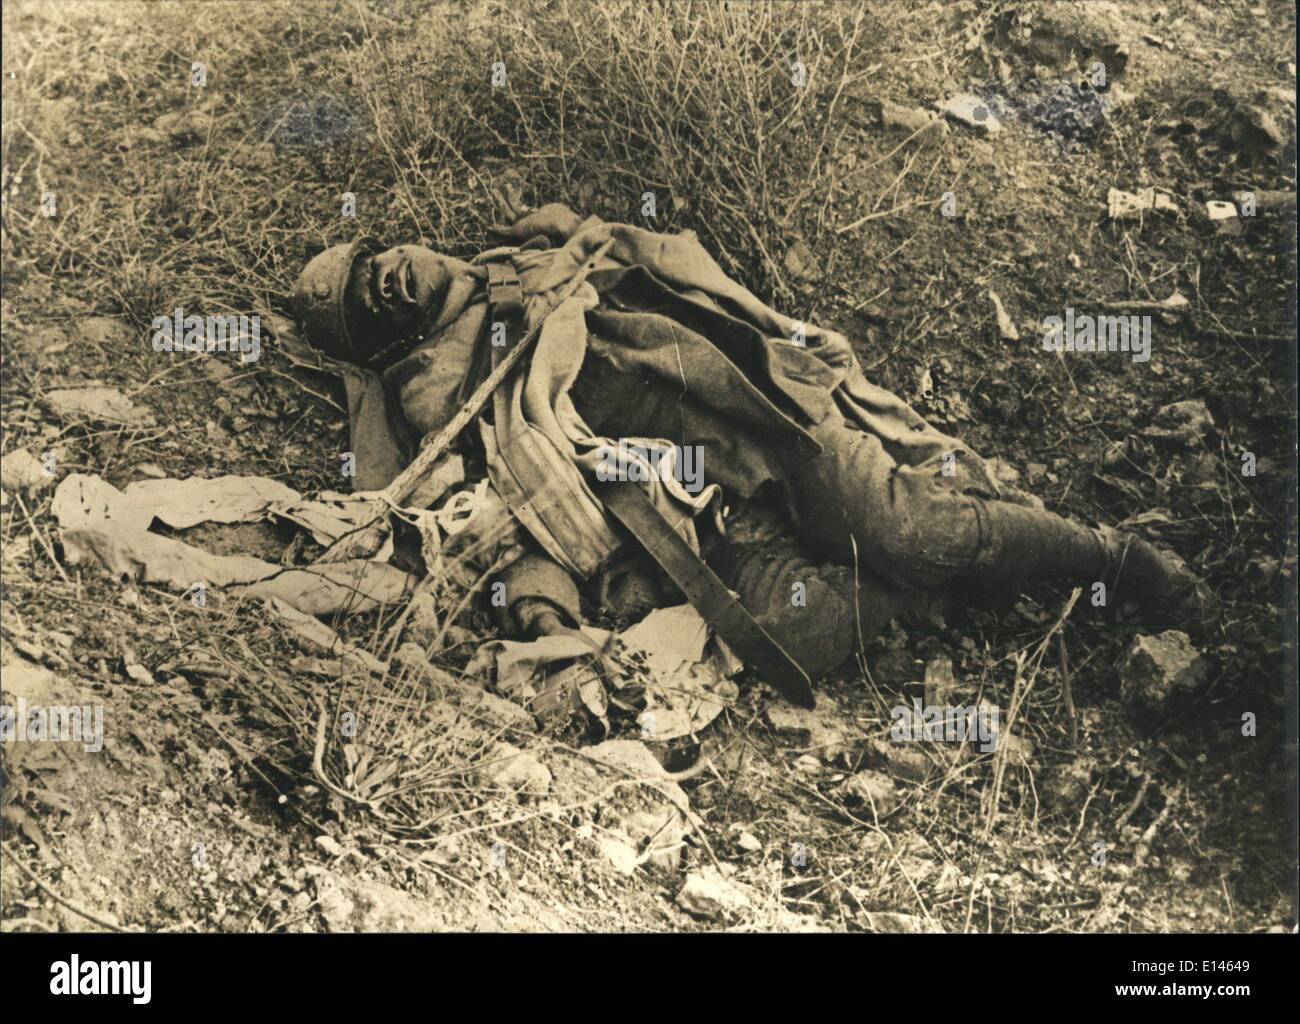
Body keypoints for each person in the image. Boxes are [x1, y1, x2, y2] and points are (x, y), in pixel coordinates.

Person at [289, 201, 1217, 683]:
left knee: (901, 532)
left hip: (766, 422)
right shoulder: (456, 396)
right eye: (366, 305)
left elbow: (670, 261)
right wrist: (539, 607)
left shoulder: (537, 251)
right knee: (782, 635)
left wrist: (577, 261)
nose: (387, 281)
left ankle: (1117, 557)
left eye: (373, 264)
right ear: (387, 347)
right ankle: (947, 582)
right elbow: (518, 518)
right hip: (708, 509)